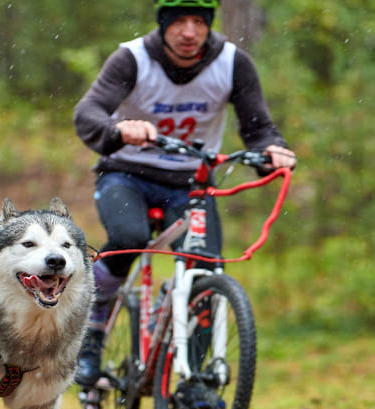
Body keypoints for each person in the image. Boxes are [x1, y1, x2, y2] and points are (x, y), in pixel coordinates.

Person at [73, 0, 297, 387]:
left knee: (207, 266)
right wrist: (119, 130)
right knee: (129, 239)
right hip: (127, 175)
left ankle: (195, 380)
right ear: (163, 24)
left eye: (199, 22)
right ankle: (90, 328)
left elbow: (259, 127)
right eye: (179, 22)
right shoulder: (132, 59)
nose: (190, 32)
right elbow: (89, 112)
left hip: (191, 185)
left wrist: (272, 151)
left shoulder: (232, 63)